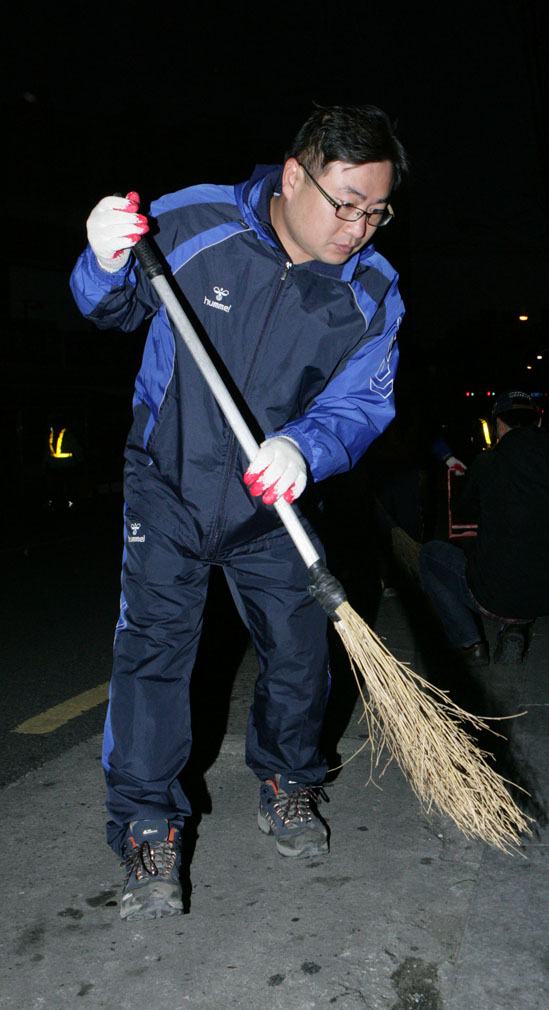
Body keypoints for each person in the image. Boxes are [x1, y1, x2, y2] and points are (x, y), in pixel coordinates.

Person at [69, 104, 408, 920]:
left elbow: (363, 403)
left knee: (300, 652)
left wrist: (307, 448)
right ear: (296, 175)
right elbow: (105, 307)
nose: (358, 228)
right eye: (346, 202)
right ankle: (148, 826)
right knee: (154, 655)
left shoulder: (372, 292)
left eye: (377, 210)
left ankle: (289, 779)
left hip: (270, 501)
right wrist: (103, 259)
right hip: (169, 481)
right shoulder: (197, 220)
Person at [419, 390, 549, 667]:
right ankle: (514, 627)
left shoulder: (489, 463)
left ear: (498, 425)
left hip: (497, 593)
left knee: (430, 555)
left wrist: (470, 481)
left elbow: (461, 513)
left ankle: (470, 643)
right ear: (539, 423)